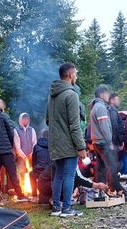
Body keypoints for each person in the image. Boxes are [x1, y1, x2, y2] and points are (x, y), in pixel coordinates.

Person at [46, 63, 87, 217]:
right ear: (70, 74)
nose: (76, 76)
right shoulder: (71, 95)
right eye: (75, 73)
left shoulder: (52, 95)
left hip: (55, 142)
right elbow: (75, 125)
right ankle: (67, 209)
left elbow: (48, 120)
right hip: (69, 143)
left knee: (59, 175)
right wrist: (81, 146)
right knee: (69, 175)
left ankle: (56, 208)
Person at [90, 86, 127, 199]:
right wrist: (109, 142)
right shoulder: (101, 107)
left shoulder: (95, 107)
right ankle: (118, 190)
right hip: (103, 142)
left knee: (101, 167)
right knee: (112, 166)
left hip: (97, 141)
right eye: (107, 94)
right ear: (102, 94)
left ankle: (101, 192)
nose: (108, 96)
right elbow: (105, 126)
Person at [0, 97, 28, 202]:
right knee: (13, 173)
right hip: (6, 151)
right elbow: (11, 131)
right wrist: (10, 145)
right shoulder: (3, 116)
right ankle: (20, 195)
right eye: (1, 103)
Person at [14, 112, 37, 186]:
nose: (25, 120)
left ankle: (33, 189)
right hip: (21, 157)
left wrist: (32, 153)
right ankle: (23, 189)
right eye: (24, 119)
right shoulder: (16, 130)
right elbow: (17, 146)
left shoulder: (32, 130)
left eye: (27, 119)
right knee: (22, 172)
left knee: (32, 172)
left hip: (31, 156)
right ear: (20, 120)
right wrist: (24, 156)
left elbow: (35, 143)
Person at [32, 129, 52, 201]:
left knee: (31, 174)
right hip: (50, 170)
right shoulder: (53, 145)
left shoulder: (36, 146)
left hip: (39, 170)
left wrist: (35, 168)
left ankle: (34, 195)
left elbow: (34, 161)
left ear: (42, 136)